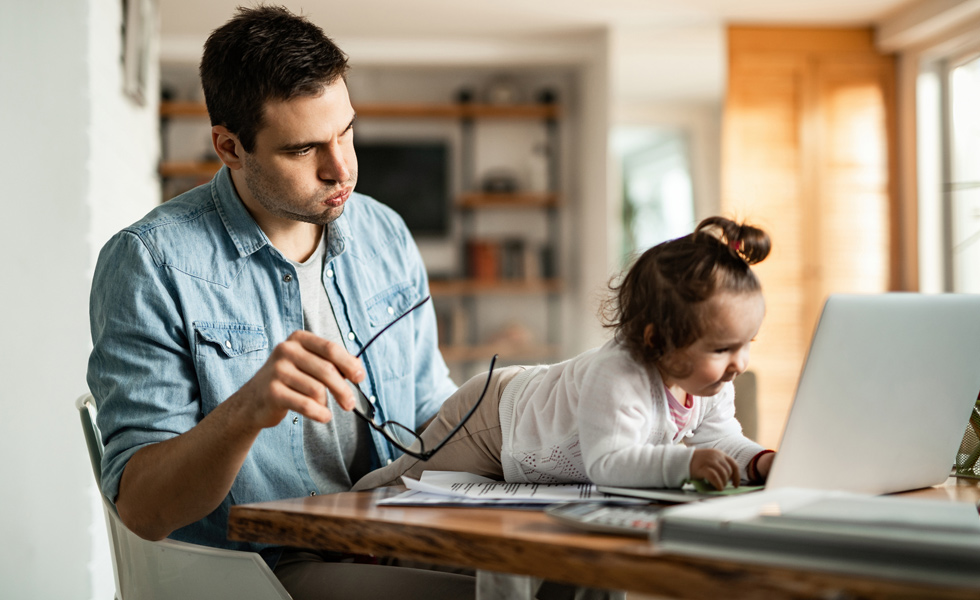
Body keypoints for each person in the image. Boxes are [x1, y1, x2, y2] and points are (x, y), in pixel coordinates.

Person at [87, 6, 474, 599]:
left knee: (559, 582)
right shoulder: (150, 263)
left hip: (393, 540)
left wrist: (521, 414)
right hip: (257, 569)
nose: (340, 168)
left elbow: (430, 413)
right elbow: (142, 509)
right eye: (302, 150)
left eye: (346, 131)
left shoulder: (385, 234)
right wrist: (244, 412)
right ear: (229, 147)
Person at [354, 216, 777, 492]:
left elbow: (721, 438)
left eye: (747, 345)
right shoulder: (620, 374)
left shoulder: (709, 383)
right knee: (405, 482)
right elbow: (608, 463)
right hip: (496, 420)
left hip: (526, 447)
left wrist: (758, 461)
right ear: (656, 339)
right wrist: (686, 463)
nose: (739, 364)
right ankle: (340, 517)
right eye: (723, 349)